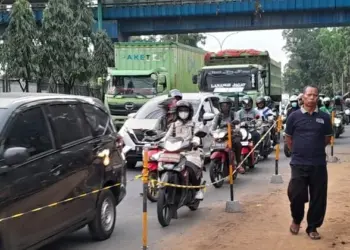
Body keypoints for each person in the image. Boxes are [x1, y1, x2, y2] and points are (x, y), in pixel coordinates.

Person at [285, 85, 332, 240]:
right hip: (298, 162)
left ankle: (313, 227)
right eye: (309, 95)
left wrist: (315, 149)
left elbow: (327, 139)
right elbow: (288, 139)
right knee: (296, 194)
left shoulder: (324, 118)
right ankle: (297, 219)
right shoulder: (294, 116)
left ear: (317, 98)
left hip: (318, 163)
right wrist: (298, 151)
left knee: (318, 197)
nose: (312, 97)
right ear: (303, 97)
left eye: (315, 95)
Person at [163, 100, 204, 200]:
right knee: (161, 164)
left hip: (190, 152)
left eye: (185, 111)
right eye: (181, 110)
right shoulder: (173, 125)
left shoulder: (194, 125)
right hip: (175, 152)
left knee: (190, 167)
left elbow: (197, 136)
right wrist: (159, 142)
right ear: (177, 112)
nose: (183, 113)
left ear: (190, 112)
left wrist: (195, 141)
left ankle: (197, 190)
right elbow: (166, 137)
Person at [211, 97, 245, 174]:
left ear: (230, 106)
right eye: (223, 105)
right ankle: (216, 162)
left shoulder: (234, 114)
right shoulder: (218, 116)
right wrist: (212, 132)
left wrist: (235, 127)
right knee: (214, 144)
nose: (225, 107)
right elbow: (213, 126)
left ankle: (239, 163)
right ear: (220, 106)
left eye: (227, 105)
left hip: (233, 134)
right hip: (222, 135)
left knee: (237, 143)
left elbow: (238, 123)